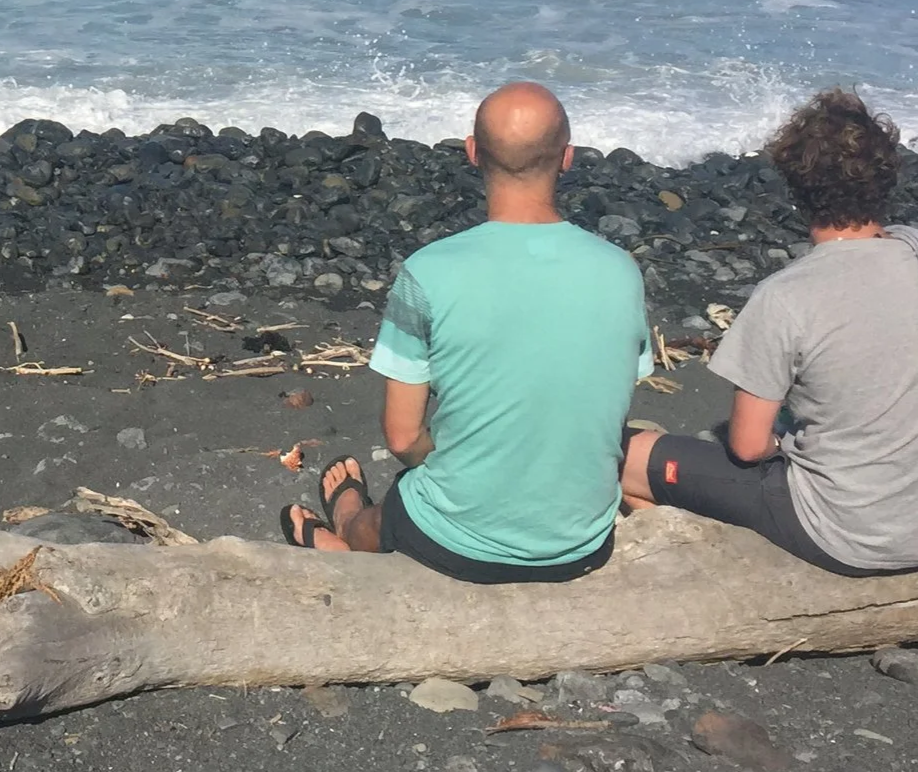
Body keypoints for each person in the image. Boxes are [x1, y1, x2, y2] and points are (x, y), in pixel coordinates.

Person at [280, 82, 653, 584]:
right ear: (567, 158)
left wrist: (468, 462)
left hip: (458, 545)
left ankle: (348, 527)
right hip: (580, 543)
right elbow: (599, 404)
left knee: (398, 506)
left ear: (472, 152)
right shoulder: (620, 271)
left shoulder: (428, 273)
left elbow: (403, 436)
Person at [619, 88, 918, 575]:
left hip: (847, 533)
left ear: (796, 187)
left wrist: (785, 447)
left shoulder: (788, 294)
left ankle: (702, 576)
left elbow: (749, 446)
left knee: (624, 454)